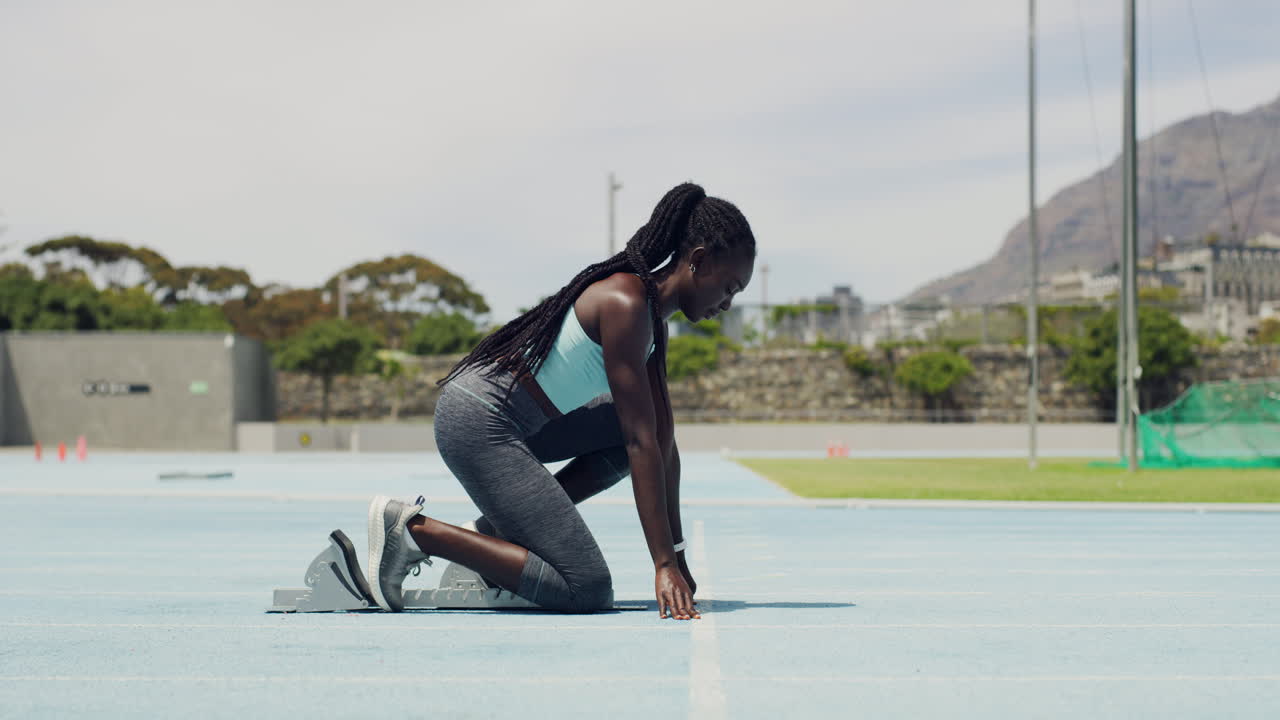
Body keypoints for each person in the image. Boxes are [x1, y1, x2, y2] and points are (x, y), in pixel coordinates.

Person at [365, 182, 756, 620]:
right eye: (729, 288)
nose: (728, 304)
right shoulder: (626, 303)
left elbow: (661, 443)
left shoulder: (652, 323)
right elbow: (640, 443)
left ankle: (495, 533)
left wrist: (677, 557)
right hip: (479, 420)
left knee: (641, 434)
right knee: (585, 587)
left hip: (522, 423)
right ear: (698, 261)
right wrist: (663, 565)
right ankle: (413, 532)